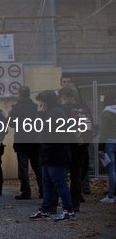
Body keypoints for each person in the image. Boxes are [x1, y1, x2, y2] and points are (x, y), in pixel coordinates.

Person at [29, 90, 75, 222]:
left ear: (46, 102)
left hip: (55, 152)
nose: (39, 105)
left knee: (59, 182)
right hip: (48, 153)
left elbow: (41, 128)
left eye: (41, 103)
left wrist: (39, 114)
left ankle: (68, 210)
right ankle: (45, 210)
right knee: (47, 183)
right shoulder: (52, 113)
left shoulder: (55, 113)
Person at [50, 85, 86, 213]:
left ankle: (53, 205)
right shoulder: (83, 107)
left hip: (65, 145)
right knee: (76, 174)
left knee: (59, 175)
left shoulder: (61, 109)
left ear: (62, 96)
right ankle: (75, 205)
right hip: (81, 145)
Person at [8, 86, 43, 200]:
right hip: (34, 140)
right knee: (37, 167)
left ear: (19, 94)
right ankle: (43, 190)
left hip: (21, 141)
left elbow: (11, 123)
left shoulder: (16, 108)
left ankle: (26, 192)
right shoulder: (35, 107)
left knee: (23, 168)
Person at [98, 89, 116, 203]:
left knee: (112, 170)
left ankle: (111, 195)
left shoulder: (106, 113)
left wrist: (100, 148)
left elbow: (104, 132)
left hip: (110, 142)